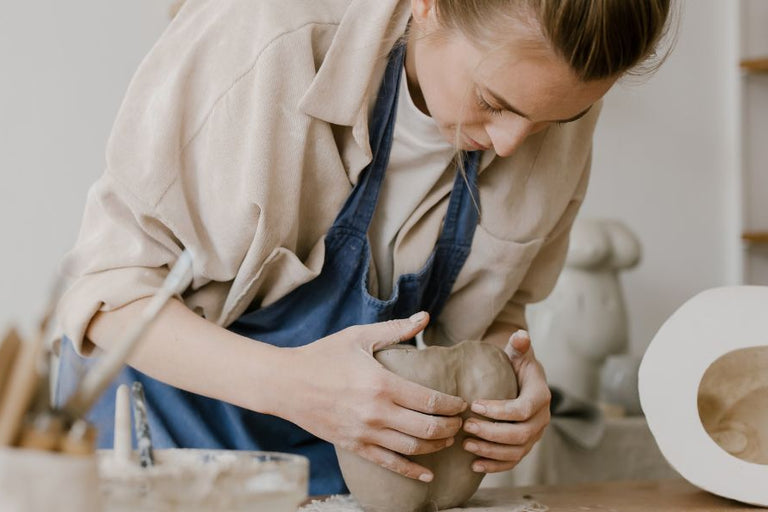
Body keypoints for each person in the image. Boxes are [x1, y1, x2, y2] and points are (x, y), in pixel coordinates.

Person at [54, 0, 672, 495]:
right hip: (157, 451)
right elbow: (104, 295)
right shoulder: (266, 34)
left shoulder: (556, 101)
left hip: (335, 475)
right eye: (494, 103)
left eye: (554, 121)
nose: (513, 144)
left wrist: (505, 389)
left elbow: (492, 318)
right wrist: (295, 387)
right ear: (430, 6)